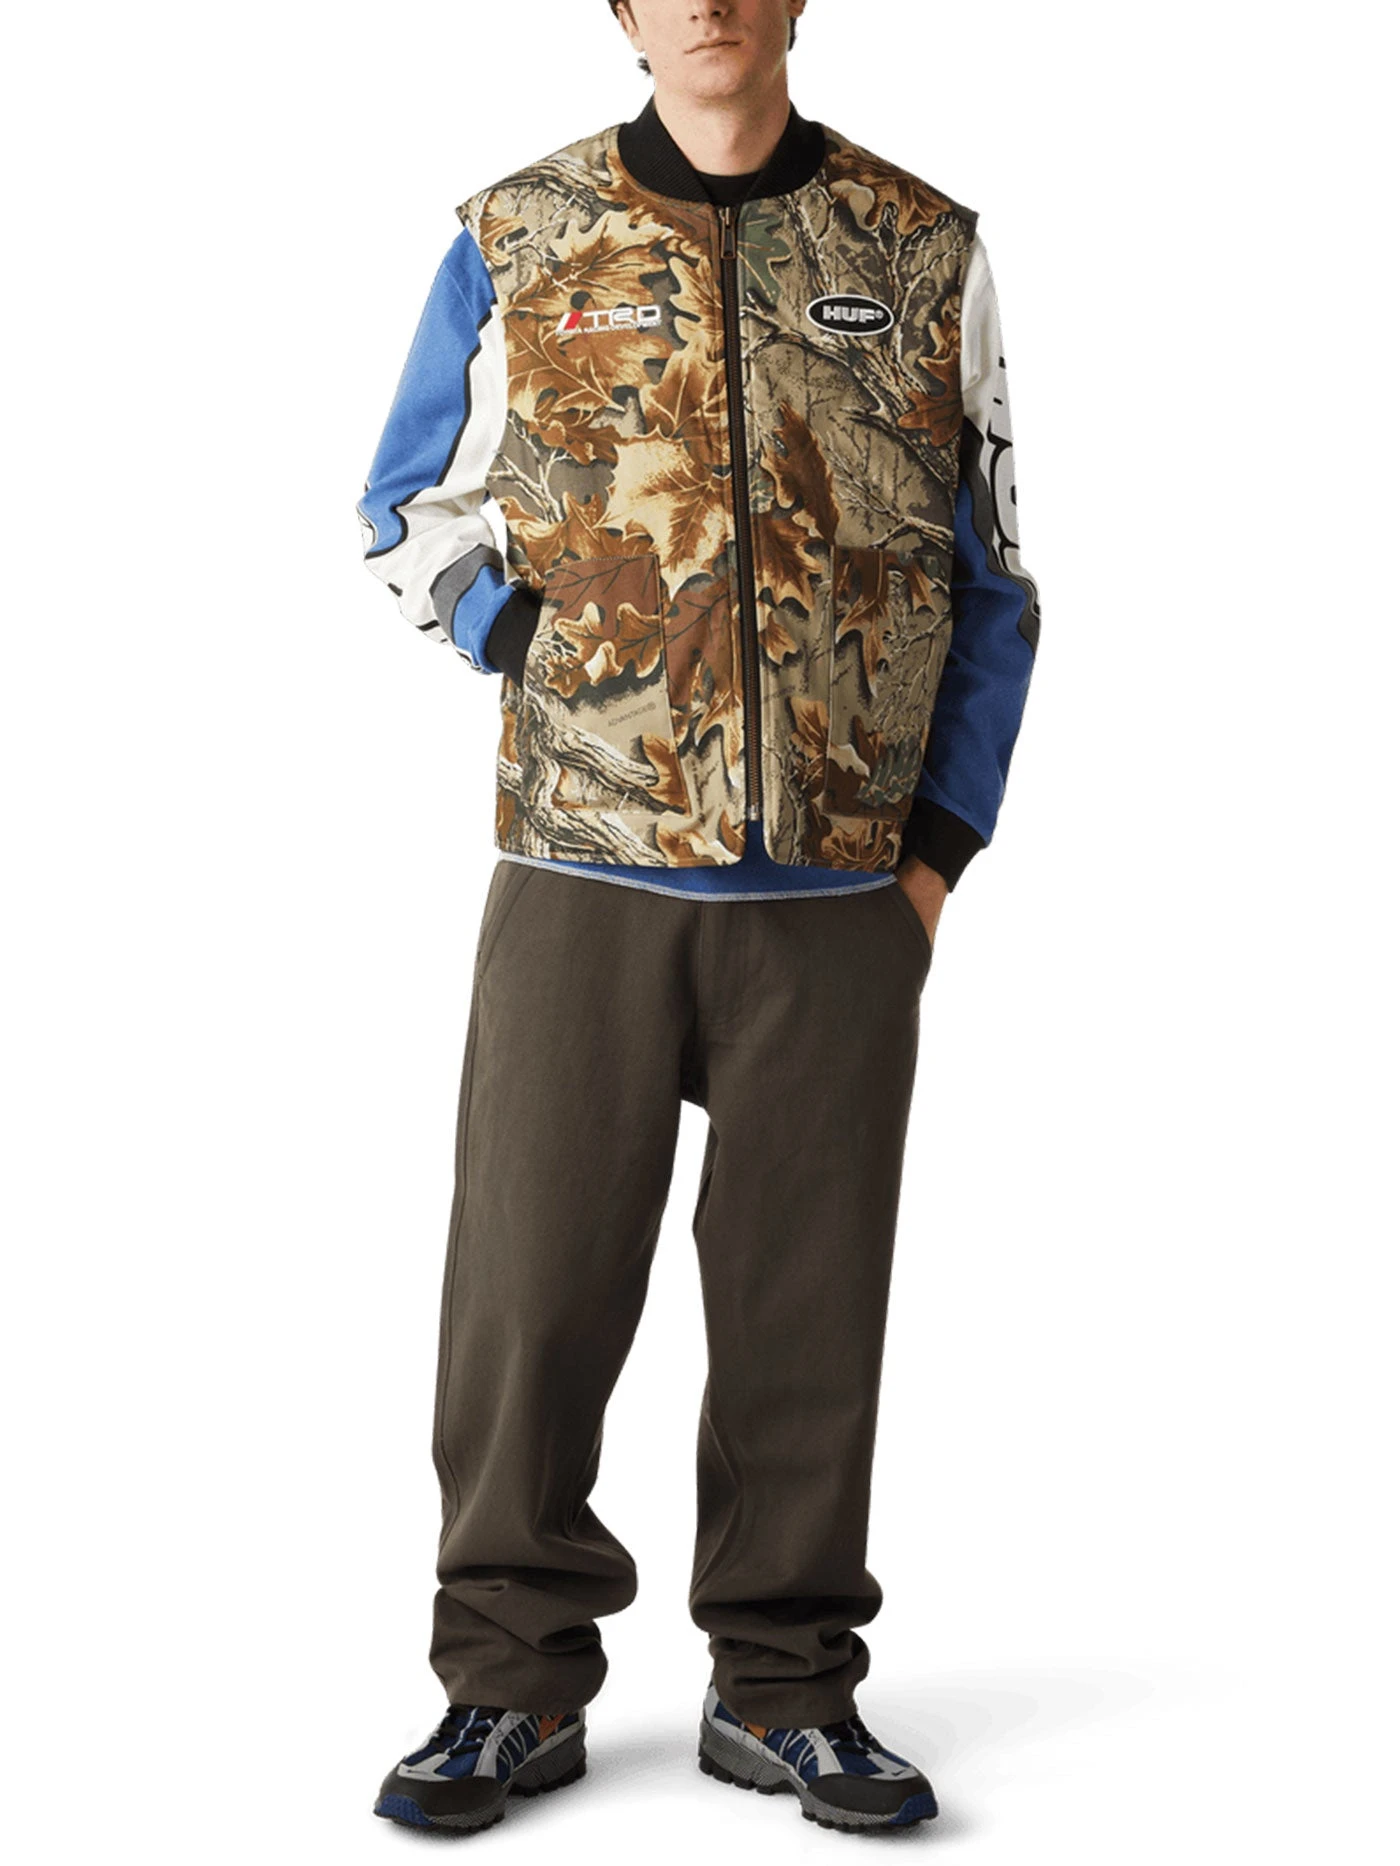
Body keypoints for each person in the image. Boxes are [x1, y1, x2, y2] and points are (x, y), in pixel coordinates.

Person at [354, 0, 1040, 1836]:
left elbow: (996, 573)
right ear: (625, 12)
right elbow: (405, 506)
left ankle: (786, 1684)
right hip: (581, 873)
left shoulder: (923, 246)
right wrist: (532, 648)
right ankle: (507, 1683)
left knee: (809, 1310)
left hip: (839, 894)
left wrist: (932, 856)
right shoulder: (519, 233)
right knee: (526, 1294)